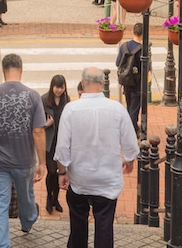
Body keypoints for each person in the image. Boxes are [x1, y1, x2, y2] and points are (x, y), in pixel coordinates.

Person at [55, 66, 140, 248]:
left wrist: (62, 172)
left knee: (78, 225)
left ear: (83, 83)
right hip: (107, 179)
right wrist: (130, 161)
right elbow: (131, 145)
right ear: (102, 84)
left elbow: (62, 147)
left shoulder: (71, 110)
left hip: (79, 179)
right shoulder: (117, 109)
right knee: (104, 226)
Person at [0, 54, 46, 248]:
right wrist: (43, 163)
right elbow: (38, 131)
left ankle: (2, 245)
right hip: (24, 160)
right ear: (21, 70)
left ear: (3, 71)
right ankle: (28, 220)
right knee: (26, 196)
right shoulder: (33, 96)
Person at [42, 74, 68, 215]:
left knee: (59, 172)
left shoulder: (66, 101)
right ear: (52, 87)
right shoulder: (44, 100)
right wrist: (47, 124)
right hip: (49, 143)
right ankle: (48, 198)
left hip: (62, 142)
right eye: (57, 87)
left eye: (61, 87)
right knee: (51, 171)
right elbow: (37, 125)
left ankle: (55, 200)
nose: (59, 90)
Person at [115, 23, 143, 132]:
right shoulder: (142, 49)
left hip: (126, 81)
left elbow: (118, 62)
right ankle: (131, 130)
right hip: (137, 83)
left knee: (129, 105)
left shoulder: (124, 46)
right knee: (134, 109)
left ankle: (132, 127)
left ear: (133, 32)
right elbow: (145, 68)